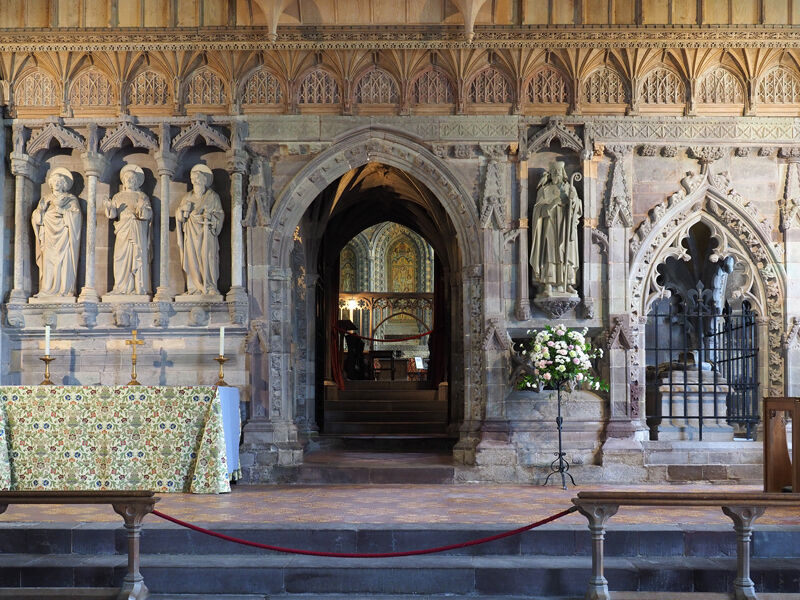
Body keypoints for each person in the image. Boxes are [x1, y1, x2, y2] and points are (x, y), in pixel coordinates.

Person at [529, 161, 581, 296]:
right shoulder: (544, 190)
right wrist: (552, 204)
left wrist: (573, 201)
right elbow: (537, 211)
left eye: (559, 172)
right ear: (550, 174)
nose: (556, 175)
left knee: (566, 253)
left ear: (563, 173)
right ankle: (548, 285)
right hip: (550, 226)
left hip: (565, 227)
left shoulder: (570, 189)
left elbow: (578, 210)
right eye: (554, 172)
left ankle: (568, 283)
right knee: (550, 254)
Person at [31, 167, 82, 297]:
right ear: (51, 184)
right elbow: (36, 219)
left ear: (64, 185)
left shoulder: (70, 199)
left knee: (65, 262)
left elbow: (76, 217)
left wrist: (62, 211)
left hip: (64, 236)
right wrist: (40, 212)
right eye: (55, 182)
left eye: (60, 182)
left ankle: (64, 290)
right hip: (48, 236)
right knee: (48, 261)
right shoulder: (45, 199)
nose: (57, 184)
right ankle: (46, 290)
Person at [176, 164, 224, 295]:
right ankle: (194, 287)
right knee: (192, 258)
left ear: (204, 180)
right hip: (191, 234)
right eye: (193, 178)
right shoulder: (187, 197)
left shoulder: (213, 196)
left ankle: (210, 285)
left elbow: (219, 214)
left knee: (208, 258)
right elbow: (179, 217)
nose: (195, 180)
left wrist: (211, 217)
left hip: (207, 233)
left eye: (198, 178)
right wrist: (181, 212)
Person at [105, 164, 153, 295]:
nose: (130, 181)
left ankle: (137, 288)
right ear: (123, 181)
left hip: (137, 229)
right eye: (127, 179)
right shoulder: (118, 196)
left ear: (137, 181)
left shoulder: (142, 196)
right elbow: (113, 215)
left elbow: (148, 214)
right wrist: (109, 207)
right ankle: (120, 287)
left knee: (137, 256)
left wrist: (142, 209)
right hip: (122, 230)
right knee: (120, 257)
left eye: (132, 179)